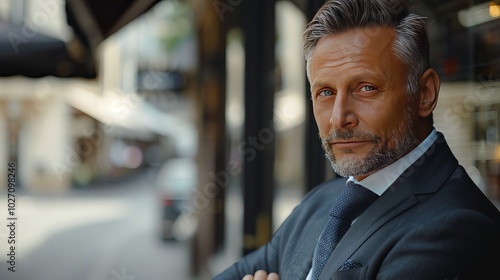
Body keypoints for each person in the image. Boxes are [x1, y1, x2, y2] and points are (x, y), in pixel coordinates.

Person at [214, 0, 500, 279]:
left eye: (366, 88)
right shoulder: (320, 203)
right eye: (325, 92)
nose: (339, 118)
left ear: (424, 94)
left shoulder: (456, 226)